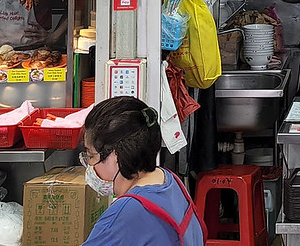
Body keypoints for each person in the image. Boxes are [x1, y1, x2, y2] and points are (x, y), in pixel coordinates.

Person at [80, 96, 206, 246]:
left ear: (115, 155)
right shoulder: (170, 180)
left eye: (90, 156)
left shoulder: (125, 213)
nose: (89, 165)